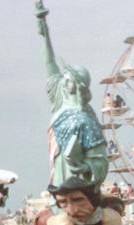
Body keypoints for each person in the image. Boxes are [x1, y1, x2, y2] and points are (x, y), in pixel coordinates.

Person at [35, 1, 108, 191]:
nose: (63, 80)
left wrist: (85, 168)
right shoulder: (60, 100)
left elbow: (100, 158)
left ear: (76, 86)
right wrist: (45, 35)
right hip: (58, 166)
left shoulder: (86, 119)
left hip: (76, 176)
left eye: (67, 78)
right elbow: (50, 64)